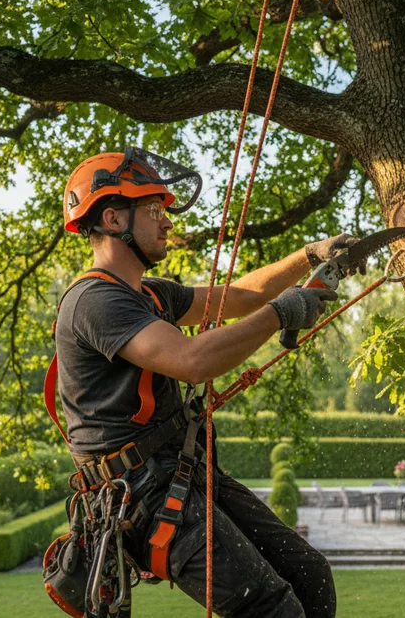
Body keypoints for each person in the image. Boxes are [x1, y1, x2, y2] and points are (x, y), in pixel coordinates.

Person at [54, 148, 348, 617]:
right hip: (139, 492)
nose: (167, 222)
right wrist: (282, 314)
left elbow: (239, 296)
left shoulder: (151, 294)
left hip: (182, 470)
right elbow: (191, 361)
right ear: (112, 218)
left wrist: (309, 256)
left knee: (308, 574)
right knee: (270, 609)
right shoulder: (94, 301)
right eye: (154, 210)